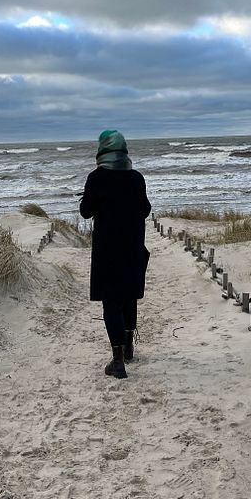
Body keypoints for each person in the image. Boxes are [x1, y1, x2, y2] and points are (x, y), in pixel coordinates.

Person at [80, 130, 151, 379]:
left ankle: (118, 360)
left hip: (107, 250)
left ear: (102, 149)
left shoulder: (96, 178)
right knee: (129, 296)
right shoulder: (136, 178)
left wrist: (95, 199)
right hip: (133, 247)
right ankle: (129, 346)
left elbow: (85, 211)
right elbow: (145, 210)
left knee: (111, 301)